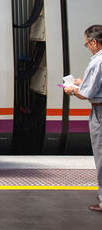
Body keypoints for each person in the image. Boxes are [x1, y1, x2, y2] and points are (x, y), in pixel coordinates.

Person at [63, 24, 102, 213]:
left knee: (101, 155)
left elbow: (87, 94)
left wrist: (72, 90)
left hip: (100, 113)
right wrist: (83, 82)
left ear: (95, 42)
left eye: (87, 44)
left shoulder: (97, 62)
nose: (88, 47)